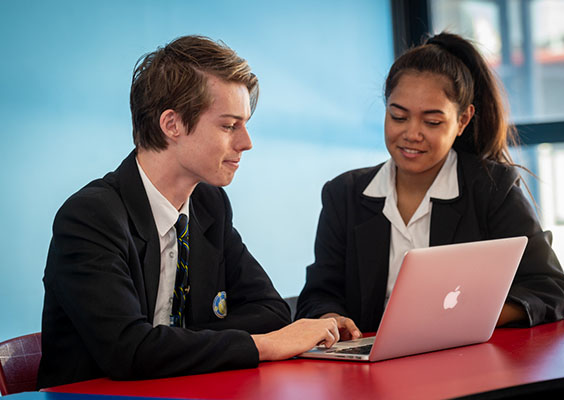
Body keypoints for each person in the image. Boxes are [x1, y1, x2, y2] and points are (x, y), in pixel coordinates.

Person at [37, 35, 340, 389]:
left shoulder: (209, 204)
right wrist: (263, 345)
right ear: (172, 124)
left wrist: (169, 342)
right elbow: (128, 351)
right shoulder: (89, 217)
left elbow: (270, 310)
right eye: (229, 126)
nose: (246, 142)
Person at [295, 32, 564, 338]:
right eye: (398, 116)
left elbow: (551, 289)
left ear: (463, 121)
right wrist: (332, 318)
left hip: (464, 362)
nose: (412, 134)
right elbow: (318, 294)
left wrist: (471, 318)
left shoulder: (492, 189)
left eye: (431, 122)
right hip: (371, 367)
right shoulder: (344, 194)